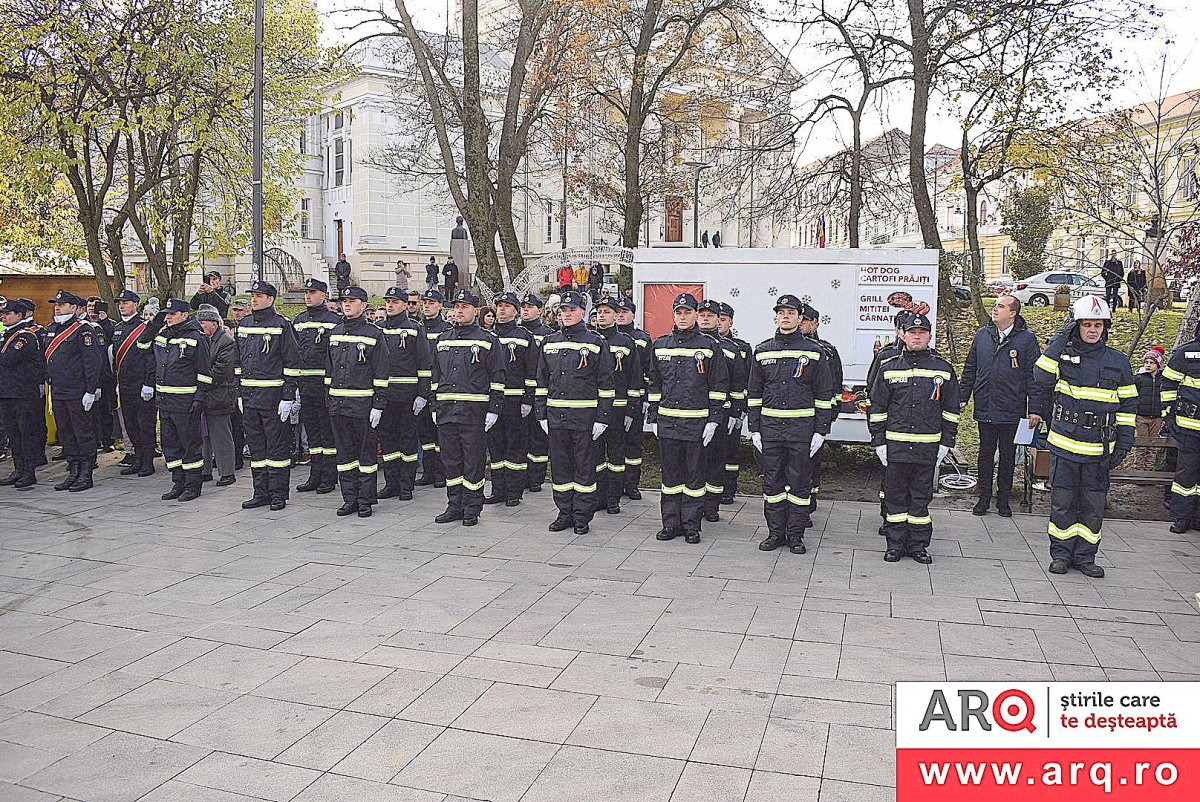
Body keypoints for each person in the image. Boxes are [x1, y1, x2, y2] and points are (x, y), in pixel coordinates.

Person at [1031, 295, 1134, 577]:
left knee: (1092, 507)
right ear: (1076, 326)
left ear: (1105, 328)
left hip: (1098, 450)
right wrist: (1062, 337)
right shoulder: (1062, 356)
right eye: (1086, 324)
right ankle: (1061, 555)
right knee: (1063, 506)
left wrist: (1124, 444)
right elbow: (1041, 376)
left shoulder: (1118, 362)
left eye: (1097, 325)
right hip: (1064, 447)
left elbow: (1128, 407)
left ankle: (1086, 557)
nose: (1092, 330)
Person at [868, 313, 958, 564]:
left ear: (929, 336)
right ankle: (895, 545)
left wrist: (947, 442)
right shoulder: (888, 367)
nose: (917, 337)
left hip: (927, 446)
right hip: (896, 446)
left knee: (920, 499)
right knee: (895, 498)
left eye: (922, 333)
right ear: (903, 335)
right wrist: (878, 441)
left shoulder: (943, 369)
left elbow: (951, 409)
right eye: (912, 332)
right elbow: (877, 407)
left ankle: (918, 546)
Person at [747, 295, 833, 554]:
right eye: (781, 312)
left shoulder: (814, 352)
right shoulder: (762, 350)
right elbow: (754, 392)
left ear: (800, 317)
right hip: (770, 430)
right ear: (776, 317)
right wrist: (754, 428)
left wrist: (821, 431)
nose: (786, 316)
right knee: (772, 483)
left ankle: (795, 536)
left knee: (799, 484)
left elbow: (823, 393)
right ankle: (775, 533)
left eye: (791, 312)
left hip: (801, 431)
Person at [647, 293, 728, 544]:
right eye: (678, 313)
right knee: (670, 478)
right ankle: (670, 523)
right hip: (668, 422)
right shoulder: (660, 344)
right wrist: (653, 416)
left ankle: (692, 525)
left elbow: (718, 385)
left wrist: (714, 420)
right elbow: (655, 383)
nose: (683, 317)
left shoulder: (710, 346)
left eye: (688, 312)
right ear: (673, 315)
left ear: (695, 315)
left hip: (696, 423)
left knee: (694, 478)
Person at [536, 290, 616, 534]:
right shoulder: (549, 342)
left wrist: (602, 419)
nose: (567, 314)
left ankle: (582, 516)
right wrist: (541, 414)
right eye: (563, 310)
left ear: (583, 312)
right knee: (560, 468)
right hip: (556, 417)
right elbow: (542, 381)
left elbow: (606, 384)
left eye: (572, 310)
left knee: (584, 469)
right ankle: (564, 513)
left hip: (584, 419)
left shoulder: (595, 342)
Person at [958, 295, 1041, 517]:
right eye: (995, 305)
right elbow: (970, 368)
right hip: (985, 405)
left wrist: (1035, 408)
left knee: (1007, 456)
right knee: (985, 455)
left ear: (1013, 313)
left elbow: (1034, 376)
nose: (995, 309)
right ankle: (983, 498)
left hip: (1011, 408)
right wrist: (963, 396)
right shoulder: (982, 335)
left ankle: (1003, 500)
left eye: (1001, 306)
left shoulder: (1026, 340)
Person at [431, 289, 505, 526]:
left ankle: (472, 507)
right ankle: (454, 505)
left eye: (464, 307)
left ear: (476, 310)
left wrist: (494, 409)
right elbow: (435, 376)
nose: (459, 311)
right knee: (450, 461)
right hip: (446, 410)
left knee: (473, 461)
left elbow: (497, 377)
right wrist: (434, 405)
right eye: (457, 307)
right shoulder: (443, 339)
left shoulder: (487, 340)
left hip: (473, 411)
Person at [234, 280, 301, 512]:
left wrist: (288, 397)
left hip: (273, 397)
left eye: (259, 296)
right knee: (257, 449)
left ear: (270, 299)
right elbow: (237, 362)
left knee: (277, 449)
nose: (254, 299)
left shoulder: (281, 324)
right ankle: (260, 492)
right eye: (253, 295)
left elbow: (291, 362)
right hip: (250, 397)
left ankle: (278, 494)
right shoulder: (244, 324)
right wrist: (239, 393)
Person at [139, 298, 213, 502]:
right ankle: (178, 482)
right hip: (164, 400)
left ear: (185, 315)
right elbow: (142, 345)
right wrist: (155, 323)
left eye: (172, 314)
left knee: (190, 446)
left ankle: (192, 485)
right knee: (170, 445)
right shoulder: (163, 335)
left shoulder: (196, 337)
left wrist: (199, 398)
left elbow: (204, 372)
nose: (169, 317)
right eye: (167, 314)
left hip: (185, 401)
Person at [327, 286, 389, 518]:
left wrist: (378, 405)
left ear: (363, 305)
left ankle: (365, 500)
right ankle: (349, 498)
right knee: (344, 456)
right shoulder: (335, 332)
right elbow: (329, 369)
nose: (346, 304)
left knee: (365, 456)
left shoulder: (374, 334)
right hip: (338, 404)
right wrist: (328, 398)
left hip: (363, 405)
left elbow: (381, 371)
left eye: (352, 301)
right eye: (344, 300)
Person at [44, 291, 104, 492]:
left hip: (77, 390)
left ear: (73, 307)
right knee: (66, 432)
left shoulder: (83, 330)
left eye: (62, 304)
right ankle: (74, 470)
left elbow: (92, 361)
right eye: (56, 304)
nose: (57, 307)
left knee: (82, 432)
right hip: (58, 389)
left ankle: (86, 473)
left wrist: (91, 390)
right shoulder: (53, 328)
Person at [378, 286, 431, 502]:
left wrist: (423, 394)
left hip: (407, 395)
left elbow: (424, 363)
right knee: (388, 441)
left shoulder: (414, 329)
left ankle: (406, 484)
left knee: (407, 441)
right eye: (388, 302)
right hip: (385, 395)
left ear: (404, 305)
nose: (390, 305)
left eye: (395, 302)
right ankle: (391, 483)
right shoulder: (378, 329)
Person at [483, 292, 537, 507]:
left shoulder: (524, 336)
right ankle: (498, 490)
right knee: (495, 447)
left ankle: (514, 491)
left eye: (507, 306)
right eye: (499, 306)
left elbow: (532, 370)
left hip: (516, 400)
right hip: (493, 401)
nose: (502, 310)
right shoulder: (487, 336)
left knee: (516, 447)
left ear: (516, 311)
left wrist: (528, 399)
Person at [293, 278, 342, 494]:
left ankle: (329, 477)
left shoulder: (334, 321)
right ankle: (315, 474)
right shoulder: (299, 320)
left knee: (327, 433)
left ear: (324, 295)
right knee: (313, 433)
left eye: (312, 292)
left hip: (325, 386)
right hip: (306, 385)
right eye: (306, 292)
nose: (308, 296)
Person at [593, 295, 641, 515]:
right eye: (599, 312)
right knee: (595, 455)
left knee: (616, 456)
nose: (602, 316)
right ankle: (599, 496)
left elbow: (634, 378)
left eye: (607, 312)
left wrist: (632, 409)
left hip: (618, 408)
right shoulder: (590, 340)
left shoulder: (625, 342)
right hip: (594, 408)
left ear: (615, 315)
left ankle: (613, 498)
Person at [0, 299, 46, 489]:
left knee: (26, 433)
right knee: (13, 434)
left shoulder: (25, 336)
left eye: (7, 314)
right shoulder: (6, 335)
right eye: (2, 314)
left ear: (19, 315)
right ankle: (18, 469)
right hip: (7, 392)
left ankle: (29, 471)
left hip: (23, 393)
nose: (3, 317)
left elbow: (8, 358)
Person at [111, 290, 157, 477]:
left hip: (141, 384)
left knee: (144, 424)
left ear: (136, 305)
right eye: (120, 303)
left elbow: (151, 358)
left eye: (126, 302)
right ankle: (137, 458)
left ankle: (147, 461)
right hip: (125, 384)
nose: (122, 306)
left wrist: (149, 383)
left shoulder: (145, 327)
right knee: (130, 424)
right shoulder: (118, 327)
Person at [798, 305, 841, 508]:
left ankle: (810, 501)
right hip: (791, 419)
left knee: (812, 462)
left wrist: (829, 416)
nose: (801, 323)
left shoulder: (827, 351)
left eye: (805, 320)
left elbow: (834, 386)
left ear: (815, 323)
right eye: (800, 319)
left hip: (815, 417)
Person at [697, 299, 735, 522]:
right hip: (693, 413)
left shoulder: (731, 348)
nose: (705, 319)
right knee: (694, 463)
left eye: (711, 316)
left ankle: (711, 505)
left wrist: (736, 413)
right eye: (702, 315)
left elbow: (737, 383)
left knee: (715, 461)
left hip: (720, 414)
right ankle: (694, 503)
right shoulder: (689, 345)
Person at [1162, 328, 1200, 533]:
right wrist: (1169, 415)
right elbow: (1168, 383)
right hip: (1189, 427)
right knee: (1186, 474)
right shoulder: (1186, 353)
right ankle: (1181, 518)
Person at [196, 306, 237, 486]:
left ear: (214, 323)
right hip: (204, 395)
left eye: (203, 323)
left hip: (219, 395)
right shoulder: (202, 339)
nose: (201, 326)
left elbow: (221, 370)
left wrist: (200, 381)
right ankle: (205, 470)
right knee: (203, 435)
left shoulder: (226, 342)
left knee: (221, 435)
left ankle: (227, 472)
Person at [616, 297, 651, 500]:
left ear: (633, 315)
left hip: (635, 399)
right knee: (614, 446)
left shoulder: (642, 339)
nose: (621, 315)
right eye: (618, 311)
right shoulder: (603, 337)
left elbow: (647, 370)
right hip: (613, 400)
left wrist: (645, 398)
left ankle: (631, 484)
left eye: (625, 312)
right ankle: (614, 485)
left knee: (633, 444)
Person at [416, 290, 451, 487]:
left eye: (431, 303)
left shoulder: (447, 330)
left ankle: (441, 473)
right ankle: (428, 471)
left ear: (440, 306)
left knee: (441, 435)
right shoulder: (418, 328)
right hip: (422, 388)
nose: (427, 306)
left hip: (440, 387)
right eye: (425, 302)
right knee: (425, 434)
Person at [519, 293, 553, 492]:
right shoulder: (516, 332)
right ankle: (522, 476)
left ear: (539, 310)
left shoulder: (547, 334)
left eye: (530, 307)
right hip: (521, 393)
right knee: (521, 438)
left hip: (541, 392)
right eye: (523, 307)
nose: (525, 310)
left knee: (538, 439)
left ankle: (536, 478)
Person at [1132, 346, 1166, 471]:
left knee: (1153, 445)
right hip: (1141, 415)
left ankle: (1149, 469)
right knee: (1141, 444)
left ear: (1158, 364)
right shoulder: (1139, 378)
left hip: (1157, 417)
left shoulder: (1163, 379)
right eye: (1146, 362)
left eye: (1151, 363)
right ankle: (1138, 469)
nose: (1148, 365)